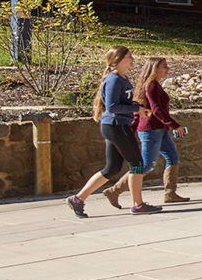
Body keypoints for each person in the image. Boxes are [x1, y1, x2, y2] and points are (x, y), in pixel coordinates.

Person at [66, 46, 157, 216]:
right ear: (120, 59)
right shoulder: (114, 80)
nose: (132, 59)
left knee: (112, 168)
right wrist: (136, 110)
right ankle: (138, 205)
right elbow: (113, 107)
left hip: (115, 125)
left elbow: (122, 103)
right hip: (116, 126)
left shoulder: (122, 78)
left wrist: (137, 108)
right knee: (136, 163)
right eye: (129, 56)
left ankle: (77, 200)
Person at [134, 56, 190, 205]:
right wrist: (174, 125)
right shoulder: (151, 85)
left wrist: (168, 125)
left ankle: (170, 193)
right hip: (151, 130)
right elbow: (156, 110)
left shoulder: (154, 85)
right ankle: (115, 191)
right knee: (145, 165)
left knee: (172, 157)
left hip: (159, 129)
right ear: (155, 68)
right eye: (164, 66)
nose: (167, 68)